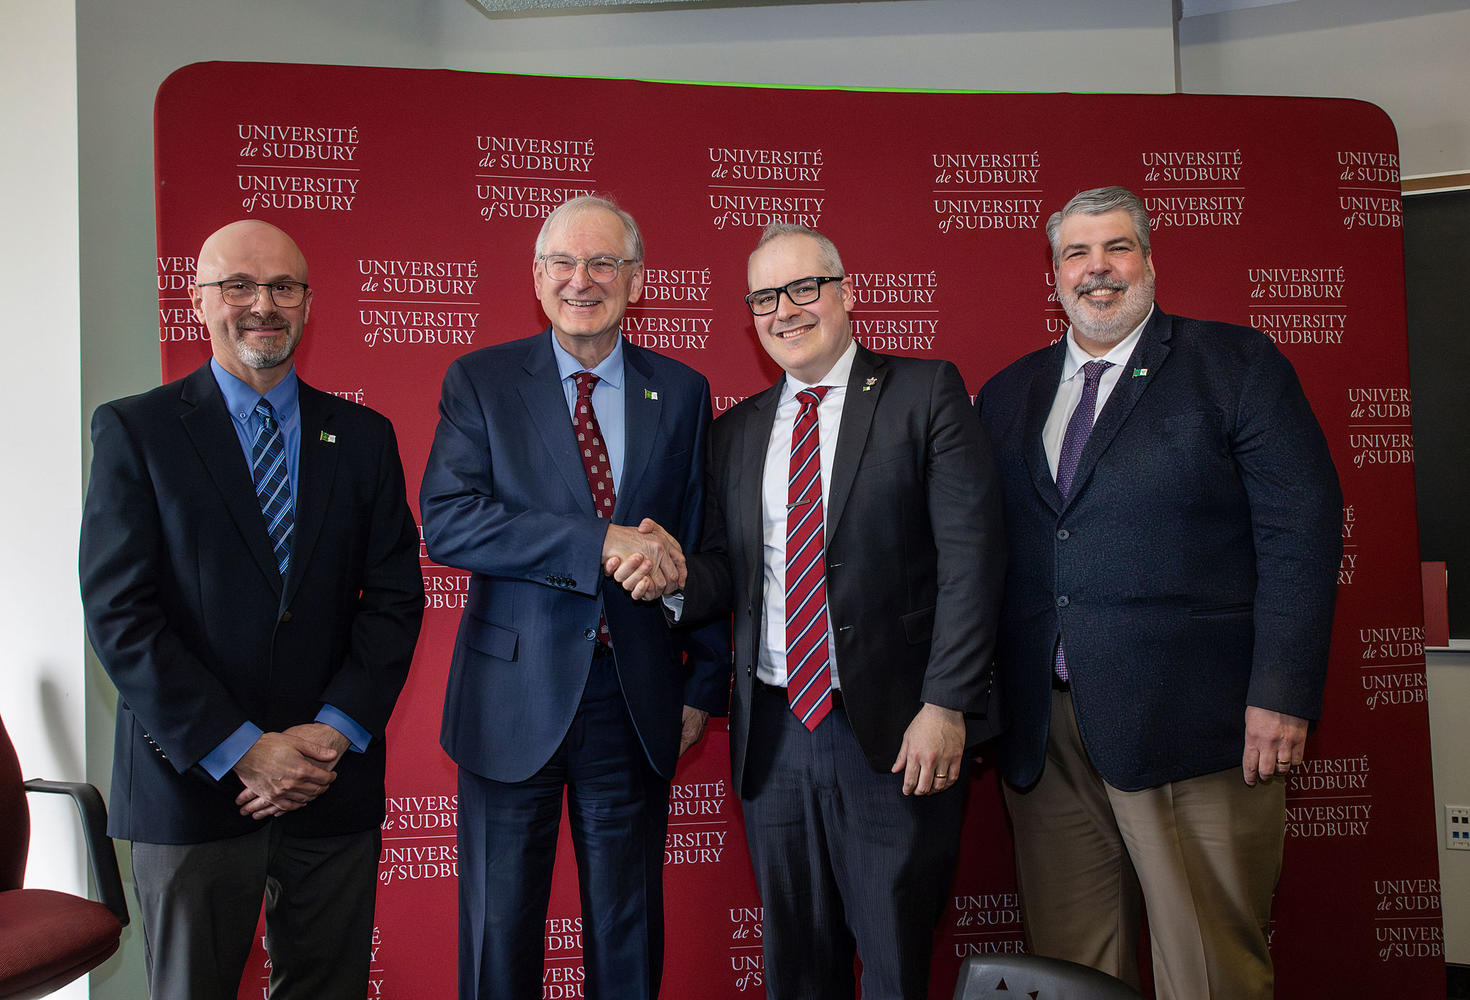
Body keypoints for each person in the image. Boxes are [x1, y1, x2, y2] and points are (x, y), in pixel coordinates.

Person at [975, 185, 1342, 1000]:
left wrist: (1280, 693)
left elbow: (1302, 535)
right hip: (1049, 730)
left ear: (1149, 261)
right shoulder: (1009, 393)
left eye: (1116, 249)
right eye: (1076, 253)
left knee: (1207, 966)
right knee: (1070, 966)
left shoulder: (1235, 365)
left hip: (1197, 725)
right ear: (1053, 276)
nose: (1096, 269)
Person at [631, 222, 1004, 1000]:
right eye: (766, 295)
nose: (786, 310)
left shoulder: (924, 392)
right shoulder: (735, 431)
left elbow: (973, 560)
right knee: (796, 967)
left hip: (896, 736)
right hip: (774, 735)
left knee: (895, 965)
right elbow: (732, 573)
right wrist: (671, 575)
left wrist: (946, 704)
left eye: (805, 288)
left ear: (846, 292)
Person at [79, 219, 424, 1000]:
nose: (262, 304)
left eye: (282, 287)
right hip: (192, 784)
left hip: (327, 778)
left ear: (308, 303)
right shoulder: (138, 430)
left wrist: (329, 735)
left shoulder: (364, 436)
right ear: (199, 302)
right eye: (238, 285)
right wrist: (240, 747)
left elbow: (396, 600)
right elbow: (119, 613)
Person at [420, 195, 728, 1000]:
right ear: (536, 276)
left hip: (632, 701)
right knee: (499, 937)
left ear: (636, 278)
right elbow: (449, 524)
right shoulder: (480, 380)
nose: (581, 281)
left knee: (627, 935)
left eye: (603, 264)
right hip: (508, 698)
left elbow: (706, 549)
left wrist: (702, 682)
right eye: (563, 263)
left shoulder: (684, 391)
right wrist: (597, 542)